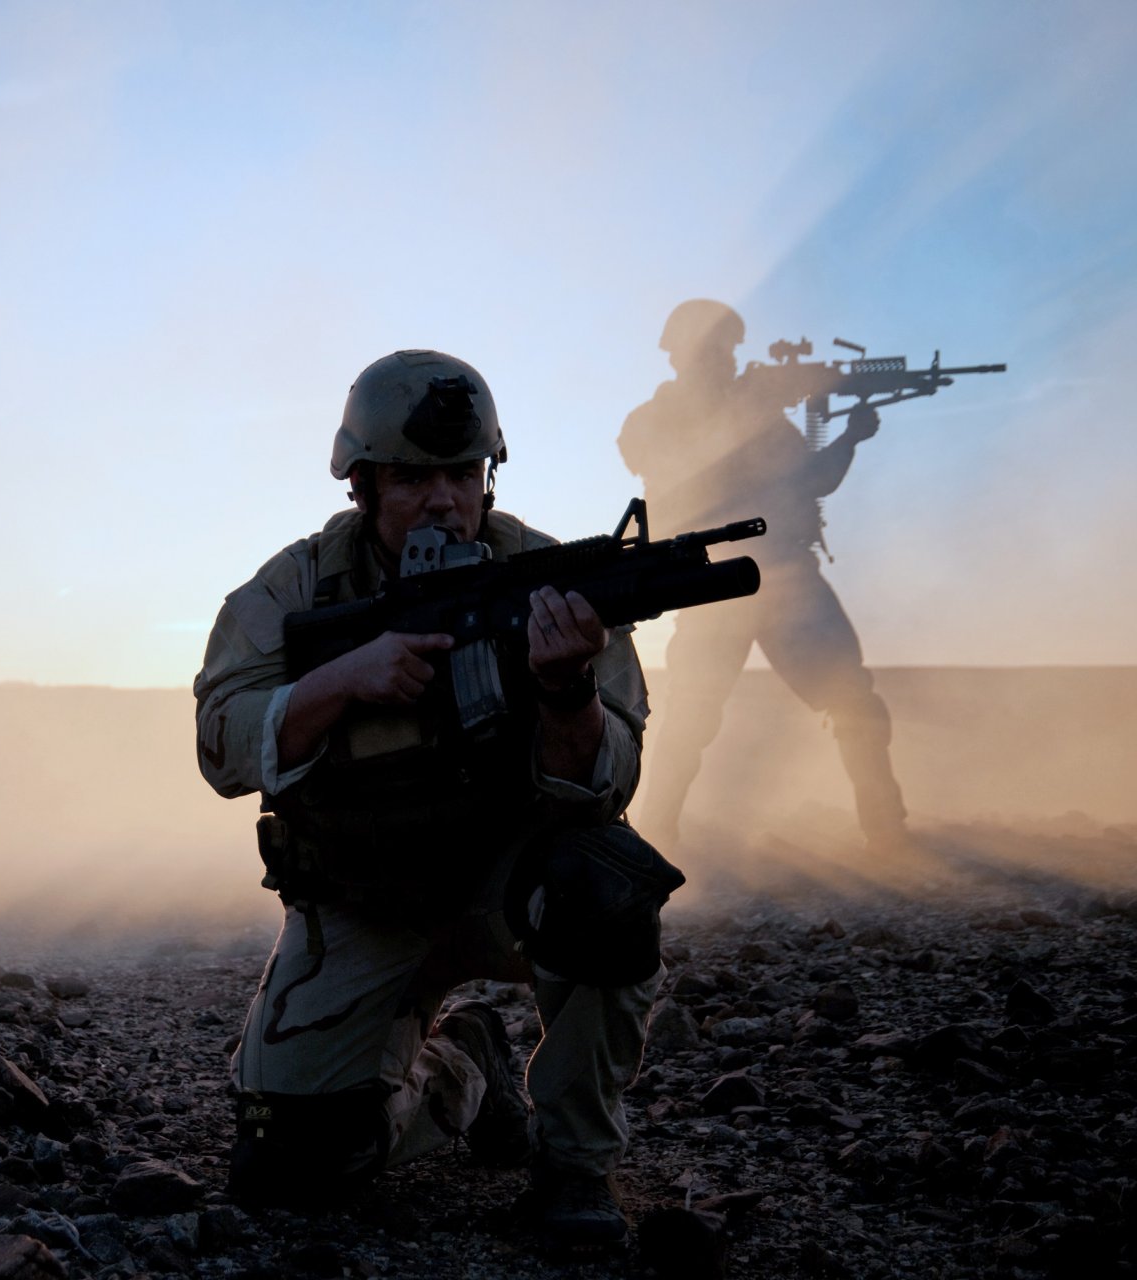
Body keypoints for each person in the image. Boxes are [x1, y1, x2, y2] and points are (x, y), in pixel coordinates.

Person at [194, 350, 662, 1250]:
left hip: (515, 893)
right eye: (412, 476)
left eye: (461, 473)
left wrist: (565, 692)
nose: (442, 499)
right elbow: (220, 743)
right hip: (370, 897)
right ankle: (466, 1065)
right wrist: (342, 682)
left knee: (605, 884)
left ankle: (574, 1163)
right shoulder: (299, 586)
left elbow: (615, 780)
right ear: (362, 486)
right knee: (290, 1163)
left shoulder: (552, 578)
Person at [620, 300, 906, 849]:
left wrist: (845, 433)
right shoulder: (657, 418)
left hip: (777, 577)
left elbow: (811, 481)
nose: (727, 360)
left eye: (729, 349)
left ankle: (887, 830)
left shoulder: (755, 411)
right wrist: (750, 416)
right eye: (716, 349)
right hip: (714, 578)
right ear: (681, 354)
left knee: (851, 699)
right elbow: (662, 462)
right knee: (691, 717)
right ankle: (653, 837)